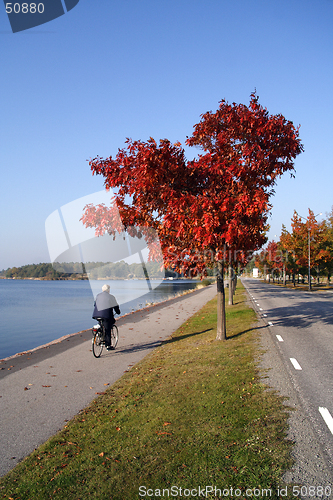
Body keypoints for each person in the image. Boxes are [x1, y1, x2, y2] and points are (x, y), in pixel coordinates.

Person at [92, 284, 121, 350]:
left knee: (101, 324)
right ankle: (108, 345)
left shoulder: (98, 295)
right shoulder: (111, 297)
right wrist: (118, 312)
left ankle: (100, 335)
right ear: (108, 290)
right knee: (108, 329)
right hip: (106, 316)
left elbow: (95, 304)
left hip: (96, 314)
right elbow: (116, 306)